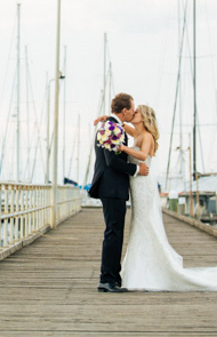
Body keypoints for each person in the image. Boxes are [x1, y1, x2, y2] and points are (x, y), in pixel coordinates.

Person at [118, 105, 217, 291]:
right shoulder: (136, 132)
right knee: (139, 223)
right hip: (137, 185)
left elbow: (143, 155)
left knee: (144, 223)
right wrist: (108, 119)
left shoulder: (147, 136)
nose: (133, 114)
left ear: (143, 117)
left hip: (144, 184)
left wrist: (123, 148)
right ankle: (139, 266)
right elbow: (122, 125)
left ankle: (145, 270)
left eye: (136, 112)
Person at [89, 92, 149, 293]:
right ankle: (107, 279)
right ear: (124, 111)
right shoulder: (112, 128)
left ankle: (113, 276)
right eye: (132, 109)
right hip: (112, 187)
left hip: (111, 187)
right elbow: (111, 160)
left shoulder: (110, 125)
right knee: (113, 233)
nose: (133, 112)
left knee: (114, 232)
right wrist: (135, 170)